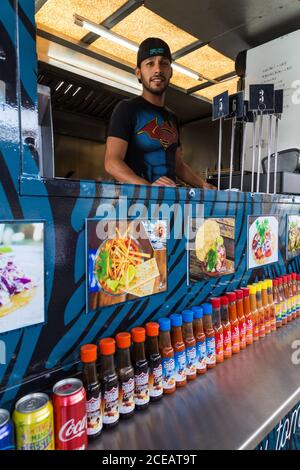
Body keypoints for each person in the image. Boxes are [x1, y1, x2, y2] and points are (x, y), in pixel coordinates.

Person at [105, 37, 216, 189]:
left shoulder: (172, 118)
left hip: (168, 205)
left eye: (164, 63)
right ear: (138, 72)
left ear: (170, 71)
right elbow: (112, 162)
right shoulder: (126, 109)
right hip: (136, 206)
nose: (158, 69)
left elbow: (178, 166)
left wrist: (202, 184)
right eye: (150, 63)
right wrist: (149, 189)